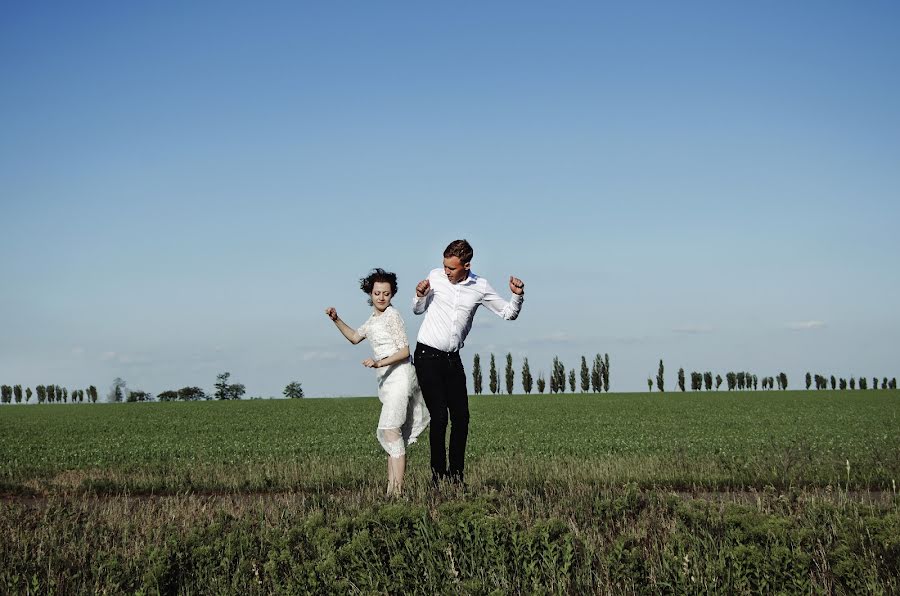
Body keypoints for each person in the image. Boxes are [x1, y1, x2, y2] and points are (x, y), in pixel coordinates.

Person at [412, 239, 524, 485]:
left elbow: (508, 313)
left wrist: (517, 296)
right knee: (440, 417)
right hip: (426, 356)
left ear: (466, 265)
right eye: (444, 266)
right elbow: (418, 310)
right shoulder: (435, 277)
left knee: (461, 417)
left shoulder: (480, 286)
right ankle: (438, 477)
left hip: (452, 359)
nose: (446, 272)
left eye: (451, 268)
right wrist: (419, 296)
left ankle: (457, 477)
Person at [326, 268, 429, 496]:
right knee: (392, 437)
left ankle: (397, 490)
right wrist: (336, 320)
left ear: (392, 295)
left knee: (390, 431)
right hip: (386, 381)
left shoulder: (393, 316)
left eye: (386, 293)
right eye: (377, 293)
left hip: (400, 377)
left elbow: (404, 351)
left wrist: (378, 363)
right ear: (370, 294)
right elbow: (354, 337)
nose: (382, 297)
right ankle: (391, 491)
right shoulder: (373, 319)